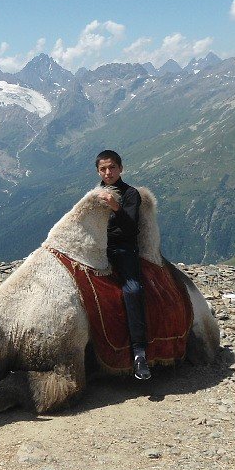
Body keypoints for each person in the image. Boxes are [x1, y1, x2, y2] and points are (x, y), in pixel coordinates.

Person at [95, 149, 151, 380]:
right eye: (103, 169)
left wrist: (115, 207)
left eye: (112, 168)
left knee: (133, 289)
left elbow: (131, 228)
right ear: (98, 171)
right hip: (98, 248)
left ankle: (139, 352)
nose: (108, 172)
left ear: (120, 168)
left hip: (123, 249)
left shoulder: (131, 194)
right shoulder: (95, 194)